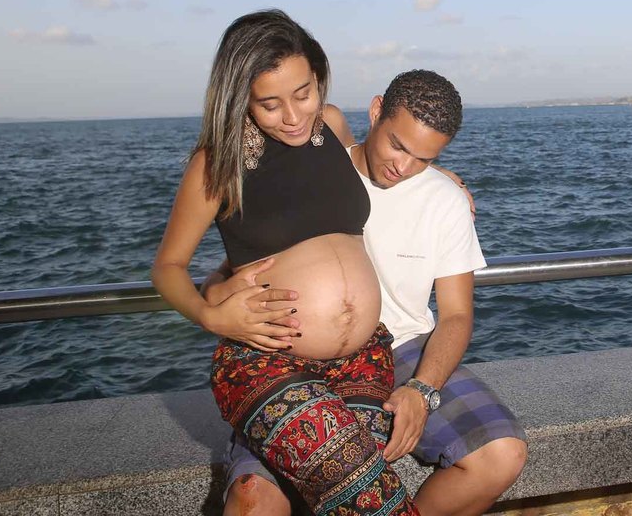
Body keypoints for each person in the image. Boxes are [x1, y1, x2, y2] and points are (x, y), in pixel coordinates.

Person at [216, 70, 528, 516]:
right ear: (376, 110)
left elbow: (456, 316)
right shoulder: (317, 164)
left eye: (424, 157)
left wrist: (422, 390)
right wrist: (221, 296)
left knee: (502, 454)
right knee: (254, 497)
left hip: (402, 349)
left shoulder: (445, 199)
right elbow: (239, 260)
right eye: (398, 146)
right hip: (297, 356)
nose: (403, 168)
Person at [151, 10, 419, 516]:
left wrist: (438, 176)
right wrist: (211, 314)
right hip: (267, 360)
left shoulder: (331, 125)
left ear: (319, 80)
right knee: (372, 500)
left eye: (304, 94)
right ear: (240, 99)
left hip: (361, 359)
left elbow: (375, 164)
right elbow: (167, 267)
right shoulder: (217, 162)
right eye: (270, 105)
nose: (294, 117)